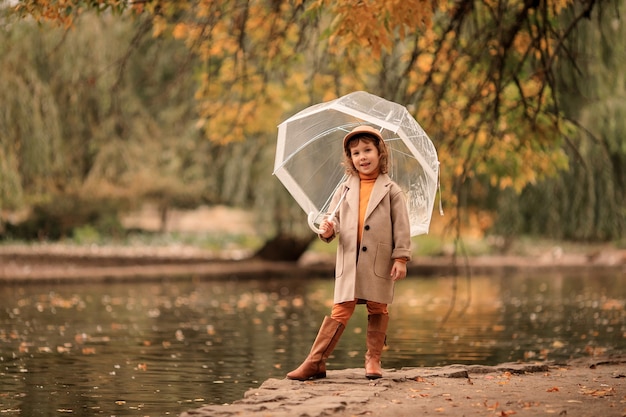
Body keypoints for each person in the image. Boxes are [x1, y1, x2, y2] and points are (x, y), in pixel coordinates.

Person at [287, 125, 412, 381]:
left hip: (378, 260)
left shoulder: (392, 191)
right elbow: (332, 227)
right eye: (356, 153)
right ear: (350, 158)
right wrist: (326, 229)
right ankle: (315, 362)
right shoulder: (344, 190)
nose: (362, 157)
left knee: (378, 307)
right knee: (341, 309)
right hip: (349, 260)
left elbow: (401, 226)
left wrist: (400, 258)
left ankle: (373, 359)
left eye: (367, 150)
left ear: (380, 153)